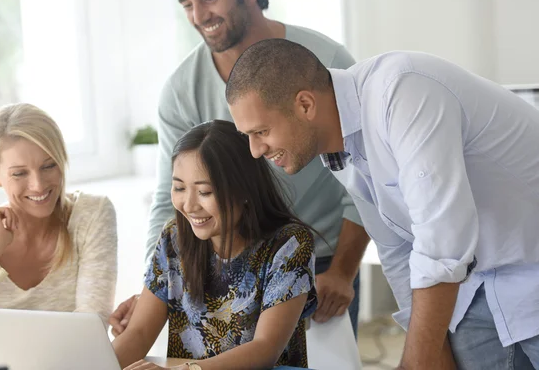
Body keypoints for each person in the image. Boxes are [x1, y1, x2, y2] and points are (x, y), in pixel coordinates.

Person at [225, 38, 539, 369]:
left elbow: (442, 238)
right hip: (475, 287)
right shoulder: (336, 148)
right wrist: (433, 351)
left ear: (305, 105)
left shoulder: (403, 92)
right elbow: (396, 250)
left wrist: (419, 359)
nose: (255, 150)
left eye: (260, 131)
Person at [110, 0, 369, 338]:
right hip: (222, 268)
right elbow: (169, 201)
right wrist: (152, 289)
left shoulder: (326, 59)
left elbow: (365, 179)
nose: (198, 16)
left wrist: (344, 270)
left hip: (319, 263)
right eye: (186, 3)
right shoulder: (182, 90)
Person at [113, 120, 317, 370]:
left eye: (205, 192)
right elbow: (139, 332)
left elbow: (266, 349)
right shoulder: (173, 238)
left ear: (244, 190)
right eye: (179, 187)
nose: (188, 205)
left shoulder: (289, 244)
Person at [0, 103, 118, 369]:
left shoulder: (92, 215)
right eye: (19, 173)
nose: (38, 185)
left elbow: (90, 332)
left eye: (48, 166)